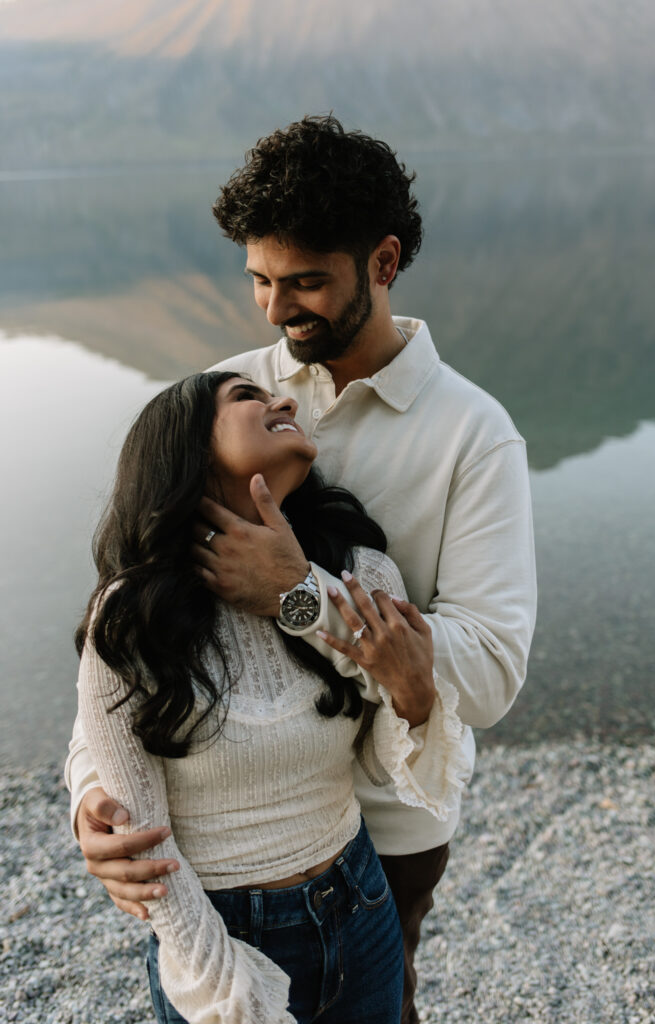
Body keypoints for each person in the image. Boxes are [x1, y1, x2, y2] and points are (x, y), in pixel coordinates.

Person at [66, 115, 537, 1024]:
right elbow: (130, 630)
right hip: (218, 839)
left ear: (383, 262)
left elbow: (490, 672)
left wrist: (298, 595)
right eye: (260, 279)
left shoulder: (475, 436)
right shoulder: (225, 397)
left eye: (306, 282)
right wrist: (94, 796)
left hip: (384, 822)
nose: (277, 310)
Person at [76, 368, 468, 1024]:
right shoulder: (132, 617)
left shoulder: (360, 571)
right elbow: (145, 843)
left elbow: (383, 763)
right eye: (246, 397)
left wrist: (409, 690)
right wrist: (223, 984)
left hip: (360, 904)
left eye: (271, 393)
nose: (283, 400)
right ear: (187, 449)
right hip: (218, 930)